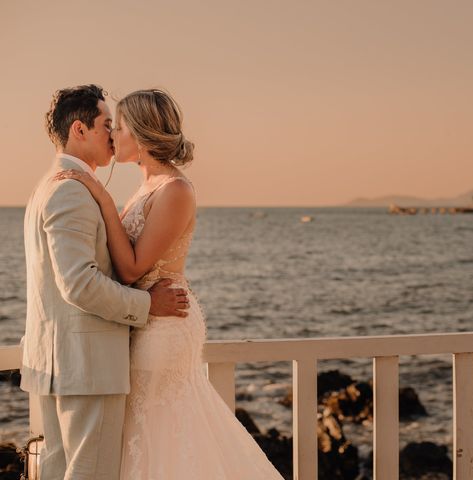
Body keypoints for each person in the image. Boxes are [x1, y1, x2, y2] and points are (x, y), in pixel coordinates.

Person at [55, 88, 284, 479]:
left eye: (120, 127)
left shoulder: (176, 190)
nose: (113, 135)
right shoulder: (146, 188)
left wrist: (102, 200)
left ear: (141, 136)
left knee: (163, 430)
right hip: (146, 319)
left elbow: (131, 270)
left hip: (165, 324)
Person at [21, 84, 190, 480]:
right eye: (105, 125)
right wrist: (149, 306)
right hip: (86, 367)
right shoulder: (71, 191)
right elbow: (79, 284)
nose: (112, 135)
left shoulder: (51, 186)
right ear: (79, 130)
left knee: (60, 470)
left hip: (64, 363)